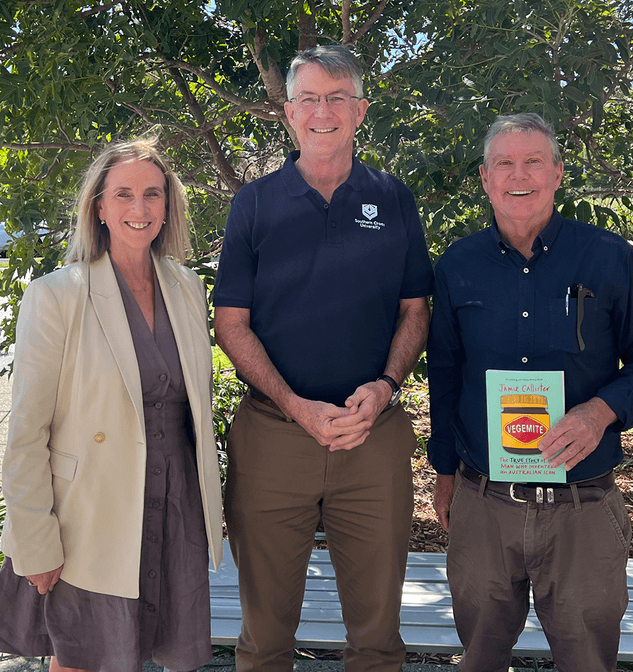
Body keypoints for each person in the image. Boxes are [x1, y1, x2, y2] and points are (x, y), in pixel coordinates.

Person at [213, 45, 433, 672]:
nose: (323, 110)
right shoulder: (254, 204)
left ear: (361, 110)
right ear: (288, 113)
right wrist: (294, 404)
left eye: (337, 96)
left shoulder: (394, 199)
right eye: (308, 97)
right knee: (263, 637)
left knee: (377, 638)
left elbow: (415, 311)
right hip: (274, 437)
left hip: (374, 436)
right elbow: (230, 324)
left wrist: (387, 386)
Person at [0, 134, 223, 672]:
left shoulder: (186, 286)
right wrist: (35, 540)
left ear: (168, 204)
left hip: (173, 504)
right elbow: (26, 432)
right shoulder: (57, 295)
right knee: (84, 660)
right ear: (98, 206)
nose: (139, 209)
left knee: (155, 652)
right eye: (123, 195)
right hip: (89, 516)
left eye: (152, 194)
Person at [427, 112, 633, 672]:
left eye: (534, 161)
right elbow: (444, 376)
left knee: (589, 663)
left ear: (558, 173)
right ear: (486, 179)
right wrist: (443, 476)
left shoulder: (610, 258)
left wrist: (600, 411)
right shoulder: (456, 267)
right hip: (482, 507)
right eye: (505, 163)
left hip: (581, 510)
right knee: (479, 658)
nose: (520, 175)